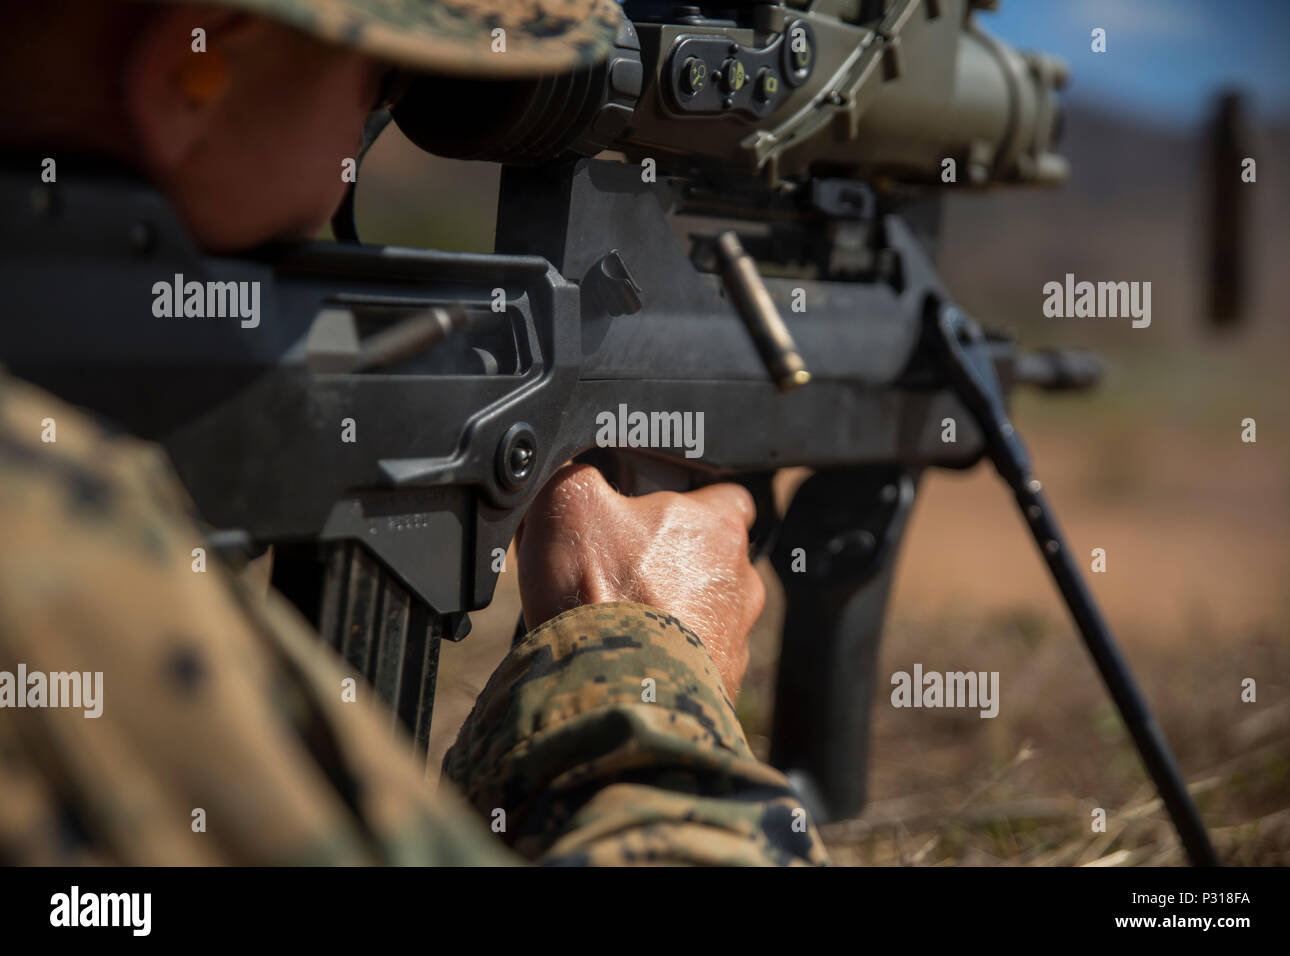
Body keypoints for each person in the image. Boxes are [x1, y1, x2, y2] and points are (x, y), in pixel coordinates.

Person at [0, 0, 828, 866]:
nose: (381, 126)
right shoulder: (51, 563)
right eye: (384, 79)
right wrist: (633, 650)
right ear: (191, 77)